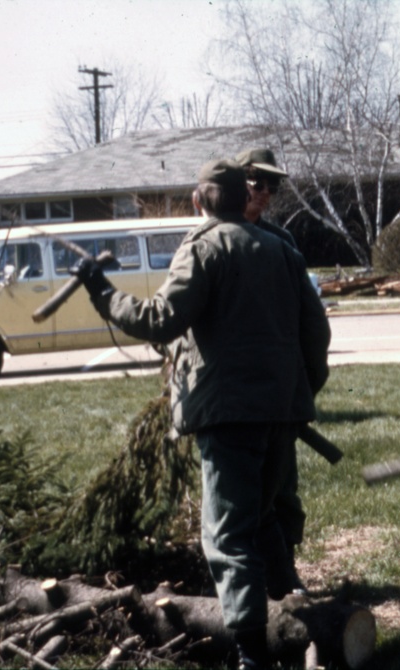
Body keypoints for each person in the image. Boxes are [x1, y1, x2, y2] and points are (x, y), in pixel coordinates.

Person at [71, 158, 330, 670]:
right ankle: (291, 623)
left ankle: (253, 655)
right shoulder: (281, 249)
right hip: (280, 411)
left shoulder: (205, 246)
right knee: (260, 521)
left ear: (198, 201)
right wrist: (298, 394)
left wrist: (102, 293)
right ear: (242, 198)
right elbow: (316, 334)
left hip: (228, 414)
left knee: (229, 535)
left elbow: (160, 320)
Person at [235, 147, 309, 598]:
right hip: (234, 392)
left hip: (278, 390)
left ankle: (286, 577)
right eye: (256, 183)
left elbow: (305, 321)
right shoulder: (210, 238)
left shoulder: (283, 242)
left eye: (272, 186)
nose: (265, 194)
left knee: (282, 488)